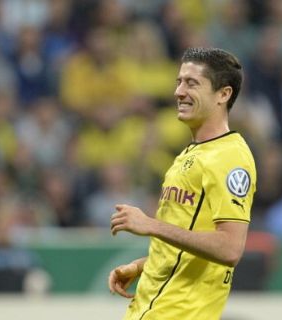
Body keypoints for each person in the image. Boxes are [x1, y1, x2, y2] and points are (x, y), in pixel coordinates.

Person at [108, 47, 257, 319]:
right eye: (178, 82)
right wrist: (145, 266)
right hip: (152, 308)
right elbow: (192, 242)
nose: (178, 92)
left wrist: (150, 224)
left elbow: (229, 248)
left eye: (192, 83)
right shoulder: (193, 153)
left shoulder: (229, 157)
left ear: (223, 94)